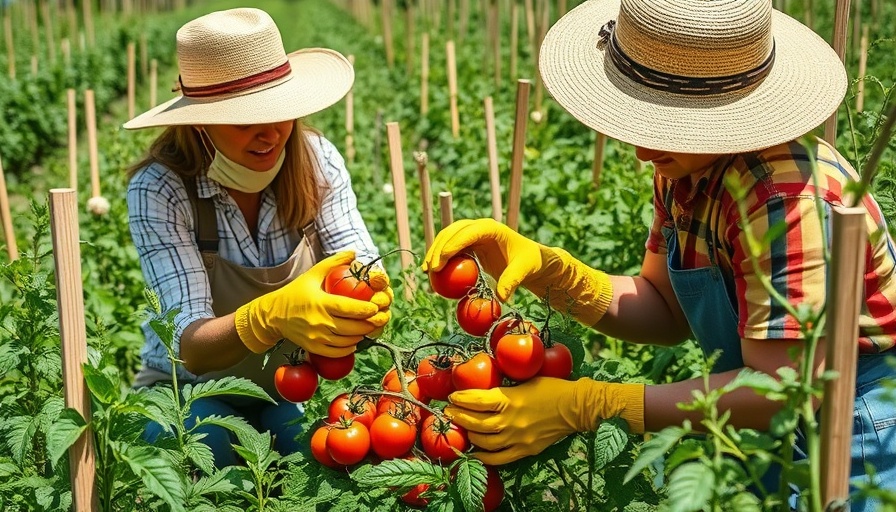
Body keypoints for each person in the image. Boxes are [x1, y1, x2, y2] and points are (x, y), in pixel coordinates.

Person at [424, 0, 896, 510]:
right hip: (761, 420)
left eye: (666, 127)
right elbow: (663, 308)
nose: (642, 150)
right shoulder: (687, 164)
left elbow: (778, 388)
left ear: (724, 117)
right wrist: (548, 270)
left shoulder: (787, 201)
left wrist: (594, 404)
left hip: (856, 426)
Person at [122, 7, 391, 468]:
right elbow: (191, 348)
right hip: (184, 390)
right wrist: (270, 316)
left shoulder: (315, 161)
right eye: (245, 121)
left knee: (308, 454)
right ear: (200, 121)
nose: (271, 134)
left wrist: (368, 304)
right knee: (210, 438)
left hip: (283, 385)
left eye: (281, 113)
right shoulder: (163, 188)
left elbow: (363, 267)